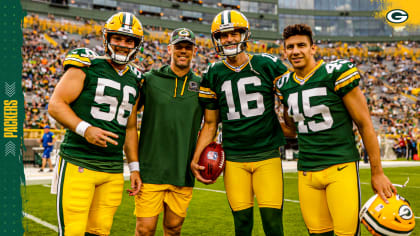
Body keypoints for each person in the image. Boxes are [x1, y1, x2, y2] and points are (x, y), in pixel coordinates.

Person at [276, 24, 396, 236]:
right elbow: (292, 130)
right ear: (284, 51)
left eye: (301, 45)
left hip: (340, 167)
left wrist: (377, 172)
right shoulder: (285, 84)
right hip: (306, 172)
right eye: (290, 47)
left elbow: (365, 123)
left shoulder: (335, 72)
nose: (295, 51)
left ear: (313, 48)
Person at [191, 10, 292, 236]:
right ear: (216, 39)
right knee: (242, 225)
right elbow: (210, 124)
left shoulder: (268, 64)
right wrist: (197, 156)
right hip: (234, 158)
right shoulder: (213, 72)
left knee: (273, 225)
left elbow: (292, 103)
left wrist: (290, 125)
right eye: (223, 35)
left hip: (267, 155)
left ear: (245, 35)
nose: (228, 39)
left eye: (234, 33)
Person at [48, 12, 143, 236]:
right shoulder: (87, 64)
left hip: (112, 168)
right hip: (78, 161)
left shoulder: (137, 78)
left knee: (100, 231)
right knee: (73, 232)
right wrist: (85, 129)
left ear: (136, 44)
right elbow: (56, 104)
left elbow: (130, 127)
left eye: (129, 40)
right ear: (107, 38)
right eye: (117, 38)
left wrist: (134, 168)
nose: (122, 44)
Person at [134, 28, 202, 236]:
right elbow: (127, 118)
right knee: (145, 230)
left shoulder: (202, 85)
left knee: (173, 229)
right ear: (169, 49)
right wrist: (133, 166)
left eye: (187, 48)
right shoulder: (149, 79)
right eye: (179, 47)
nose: (183, 51)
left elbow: (210, 124)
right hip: (150, 169)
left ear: (194, 51)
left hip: (182, 170)